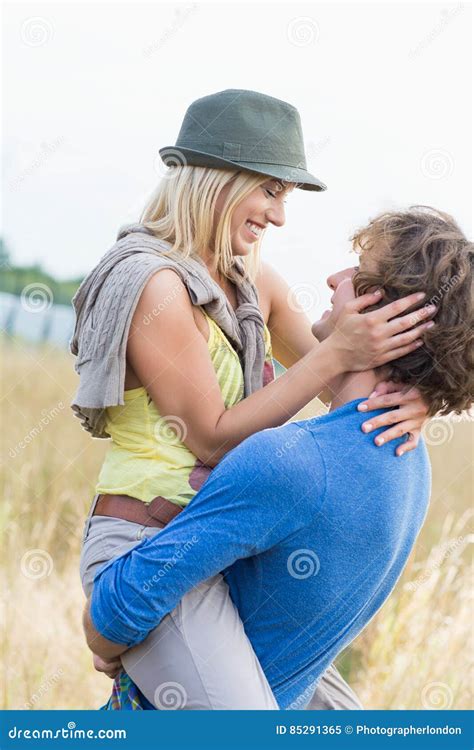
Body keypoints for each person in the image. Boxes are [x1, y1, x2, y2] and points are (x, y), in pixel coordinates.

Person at [73, 90, 432, 709]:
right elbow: (210, 434)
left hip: (221, 554)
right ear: (217, 178)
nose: (279, 215)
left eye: (284, 196)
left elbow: (340, 374)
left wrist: (420, 396)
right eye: (270, 190)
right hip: (144, 547)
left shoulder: (250, 282)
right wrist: (337, 352)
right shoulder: (153, 284)